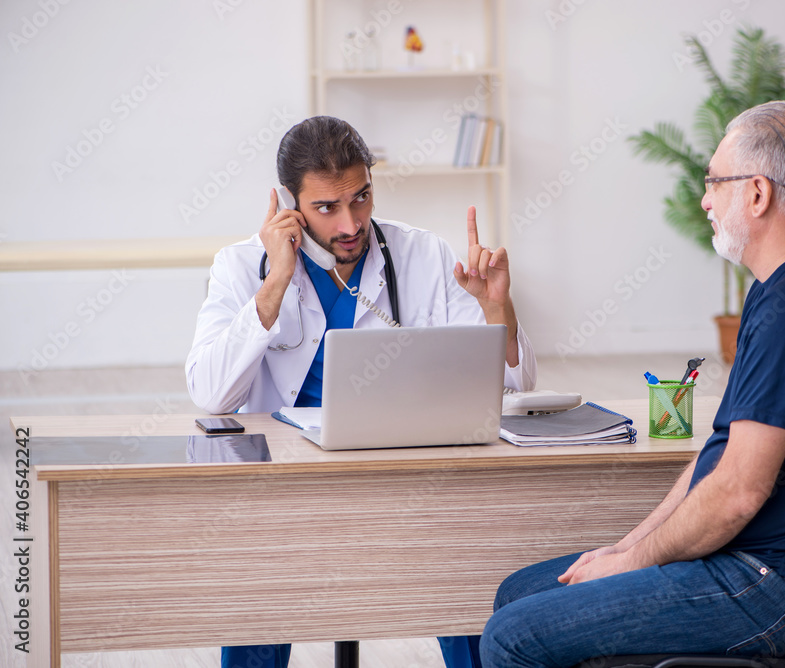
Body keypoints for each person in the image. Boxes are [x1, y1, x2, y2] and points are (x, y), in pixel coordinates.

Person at [476, 101, 785, 667]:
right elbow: (718, 462)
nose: (704, 200)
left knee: (513, 637)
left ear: (756, 194)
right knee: (519, 595)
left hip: (775, 592)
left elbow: (738, 493)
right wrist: (626, 548)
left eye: (713, 182)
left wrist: (630, 565)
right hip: (752, 566)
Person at [185, 116, 536, 668]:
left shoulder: (423, 255)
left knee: (464, 561)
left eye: (361, 198)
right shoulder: (240, 266)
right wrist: (275, 283)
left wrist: (497, 309)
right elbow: (210, 394)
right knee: (263, 582)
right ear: (288, 206)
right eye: (326, 208)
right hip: (287, 483)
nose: (351, 223)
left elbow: (514, 388)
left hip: (402, 474)